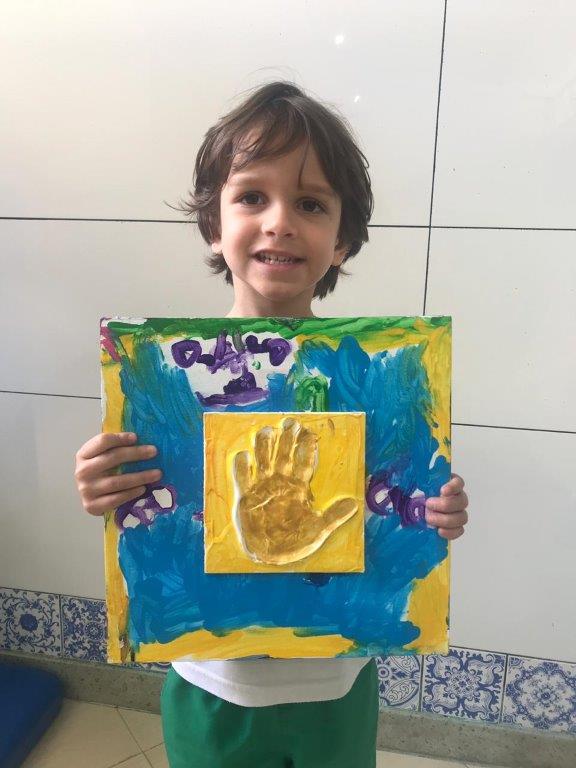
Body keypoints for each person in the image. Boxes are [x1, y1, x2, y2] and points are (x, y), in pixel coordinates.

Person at [75, 81, 469, 768]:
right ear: (214, 224)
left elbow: (392, 500)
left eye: (310, 203)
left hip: (337, 684)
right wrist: (102, 485)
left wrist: (429, 510)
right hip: (210, 684)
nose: (279, 221)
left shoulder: (374, 378)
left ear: (342, 240)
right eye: (252, 196)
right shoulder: (165, 380)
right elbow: (151, 509)